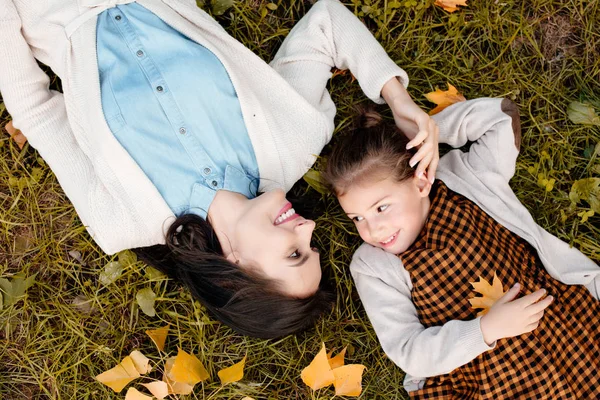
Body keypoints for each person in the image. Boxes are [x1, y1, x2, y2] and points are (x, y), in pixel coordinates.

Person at [0, 0, 439, 338]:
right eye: (313, 243)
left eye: (293, 253)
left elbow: (36, 110)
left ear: (236, 268)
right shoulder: (294, 140)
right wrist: (398, 99)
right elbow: (327, 22)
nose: (306, 227)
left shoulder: (120, 221)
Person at [323, 98, 600, 398]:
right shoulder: (372, 265)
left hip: (565, 328)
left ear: (420, 182)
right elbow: (408, 349)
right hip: (488, 375)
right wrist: (484, 330)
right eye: (357, 218)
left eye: (382, 208)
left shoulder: (468, 176)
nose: (371, 229)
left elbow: (501, 118)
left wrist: (424, 134)